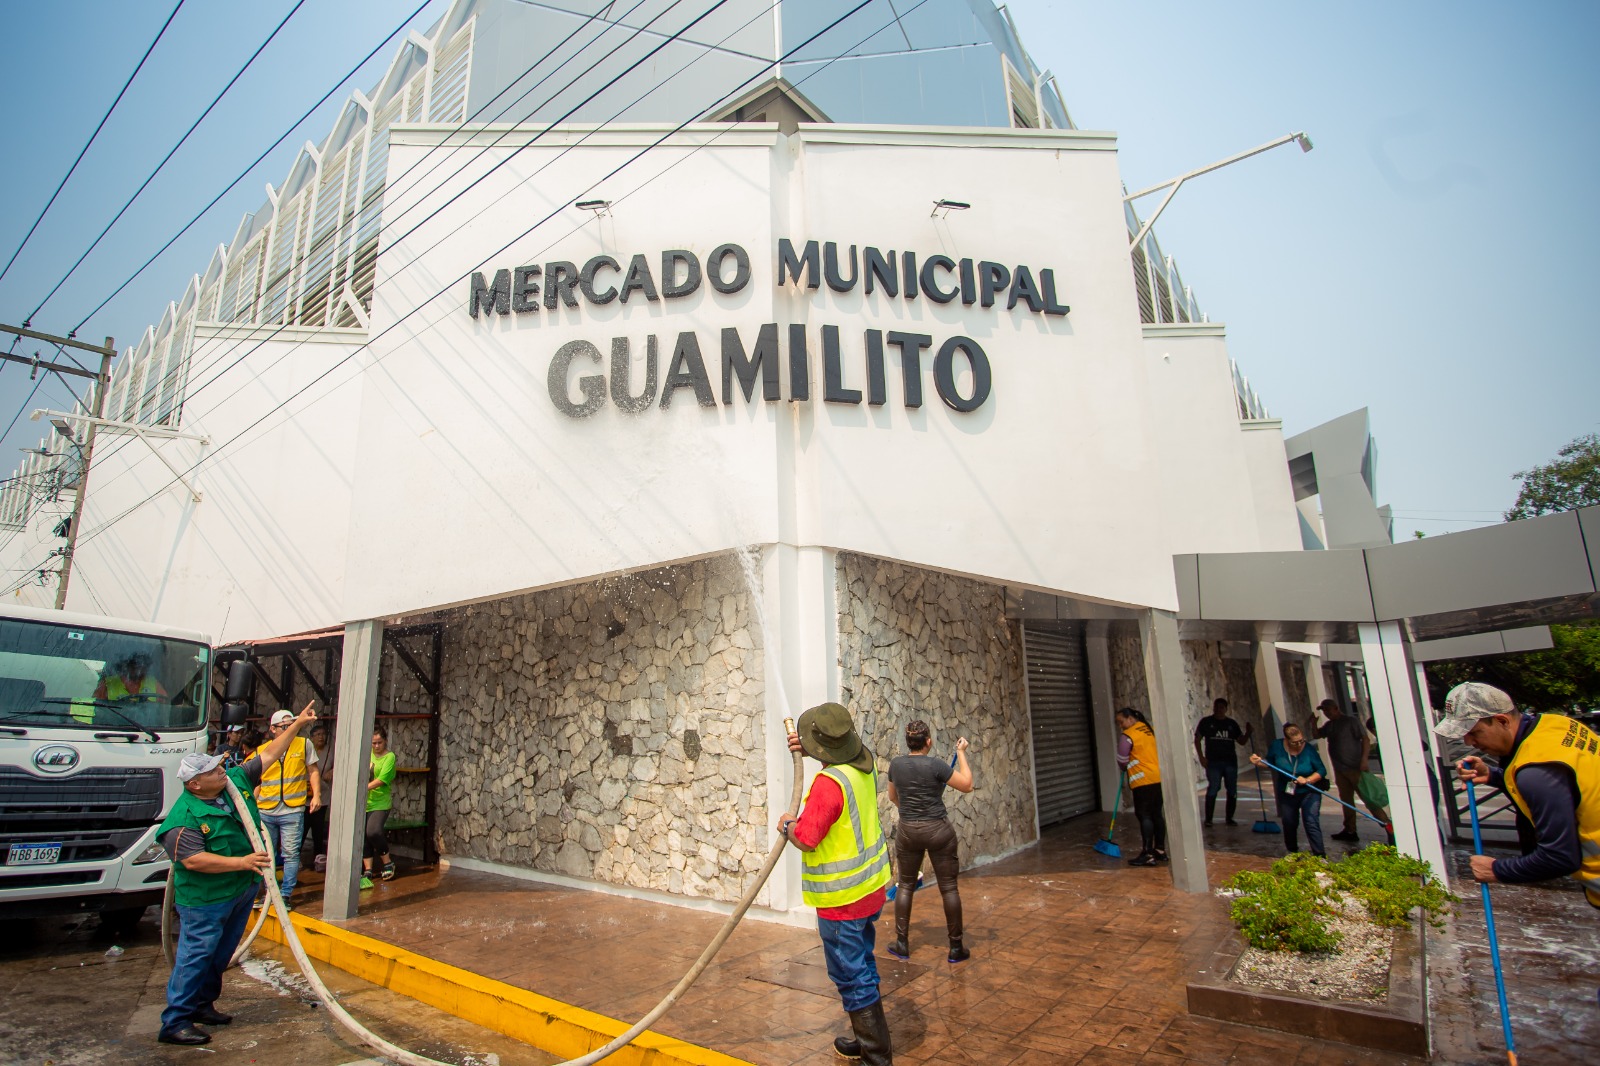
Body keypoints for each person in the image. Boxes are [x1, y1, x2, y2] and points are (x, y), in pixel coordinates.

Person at [153, 701, 317, 1046]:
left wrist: (297, 724)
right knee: (196, 954)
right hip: (206, 899)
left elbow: (270, 753)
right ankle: (176, 1020)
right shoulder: (184, 817)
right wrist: (242, 863)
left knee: (220, 953)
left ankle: (202, 1005)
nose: (221, 772)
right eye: (212, 772)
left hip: (240, 891)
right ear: (195, 784)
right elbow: (193, 861)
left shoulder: (235, 782)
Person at [777, 702, 893, 1065]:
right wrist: (807, 748)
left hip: (842, 902)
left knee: (850, 973)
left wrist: (786, 824)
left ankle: (877, 1057)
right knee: (862, 963)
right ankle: (866, 1040)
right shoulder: (864, 763)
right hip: (870, 891)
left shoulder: (828, 786)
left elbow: (807, 836)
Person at [1439, 682, 1598, 909]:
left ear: (1502, 720)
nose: (1468, 742)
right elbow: (1570, 785)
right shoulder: (1556, 726)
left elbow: (1560, 858)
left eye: (1474, 732)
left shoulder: (1536, 773)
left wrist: (1495, 869)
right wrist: (1494, 776)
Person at [885, 720, 973, 963]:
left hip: (908, 831)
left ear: (908, 742)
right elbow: (967, 784)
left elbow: (893, 797)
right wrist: (961, 753)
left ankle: (902, 944)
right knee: (949, 888)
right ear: (928, 742)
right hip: (938, 831)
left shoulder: (896, 765)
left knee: (905, 885)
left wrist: (912, 813)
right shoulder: (936, 765)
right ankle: (956, 948)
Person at [254, 709, 323, 907]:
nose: (288, 728)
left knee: (291, 853)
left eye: (291, 724)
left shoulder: (303, 744)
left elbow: (313, 771)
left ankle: (285, 895)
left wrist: (316, 795)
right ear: (273, 729)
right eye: (284, 726)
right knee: (265, 854)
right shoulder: (263, 750)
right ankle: (268, 891)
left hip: (292, 809)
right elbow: (258, 781)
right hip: (266, 809)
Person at [1314, 698, 1388, 841]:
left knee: (1368, 799)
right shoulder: (1329, 725)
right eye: (1324, 710)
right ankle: (1350, 830)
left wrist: (1364, 760)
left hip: (1355, 767)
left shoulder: (1350, 721)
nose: (1326, 713)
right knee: (1346, 800)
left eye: (1328, 710)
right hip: (1340, 769)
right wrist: (1313, 724)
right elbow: (1317, 735)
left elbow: (1365, 739)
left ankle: (1387, 825)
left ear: (1336, 708)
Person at [1252, 723, 1329, 857]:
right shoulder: (1276, 746)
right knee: (1289, 822)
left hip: (1309, 791)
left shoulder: (1308, 749)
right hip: (1288, 791)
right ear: (1286, 740)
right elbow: (1269, 762)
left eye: (1301, 741)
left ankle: (1320, 855)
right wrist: (1258, 762)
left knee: (1311, 821)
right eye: (1295, 743)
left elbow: (1322, 770)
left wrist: (1308, 779)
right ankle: (1292, 852)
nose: (1299, 745)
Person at [1116, 707, 1168, 867]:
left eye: (1121, 722)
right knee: (1156, 814)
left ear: (1130, 718)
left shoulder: (1129, 735)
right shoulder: (1150, 730)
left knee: (1144, 815)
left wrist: (1125, 767)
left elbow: (1122, 759)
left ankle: (1147, 853)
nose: (1121, 726)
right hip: (1158, 778)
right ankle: (1160, 850)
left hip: (1142, 780)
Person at [1193, 697, 1253, 826]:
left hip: (1230, 762)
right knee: (1213, 788)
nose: (1218, 710)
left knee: (1232, 789)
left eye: (1221, 708)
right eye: (1216, 707)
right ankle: (1209, 819)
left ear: (1226, 709)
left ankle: (1229, 818)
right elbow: (1197, 739)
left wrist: (1248, 733)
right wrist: (1201, 757)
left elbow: (1241, 741)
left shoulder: (1231, 724)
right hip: (1213, 762)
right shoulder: (1206, 722)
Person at [363, 726, 397, 888]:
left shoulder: (389, 757)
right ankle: (368, 869)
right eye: (373, 743)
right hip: (364, 803)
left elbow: (382, 779)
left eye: (379, 743)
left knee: (373, 831)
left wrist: (363, 787)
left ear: (385, 741)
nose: (376, 746)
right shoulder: (366, 754)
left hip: (380, 802)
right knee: (363, 835)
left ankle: (387, 861)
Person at [304, 721, 333, 869]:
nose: (321, 737)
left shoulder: (330, 751)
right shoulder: (307, 750)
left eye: (323, 734)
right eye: (318, 734)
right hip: (305, 795)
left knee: (318, 828)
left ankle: (318, 857)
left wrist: (332, 772)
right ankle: (296, 858)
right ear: (312, 737)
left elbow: (339, 765)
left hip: (323, 794)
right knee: (302, 828)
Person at [93, 651, 168, 703]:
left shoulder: (153, 683)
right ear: (128, 666)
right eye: (135, 665)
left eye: (143, 665)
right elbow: (97, 708)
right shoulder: (108, 684)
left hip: (146, 725)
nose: (139, 668)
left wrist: (148, 706)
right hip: (113, 724)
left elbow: (166, 708)